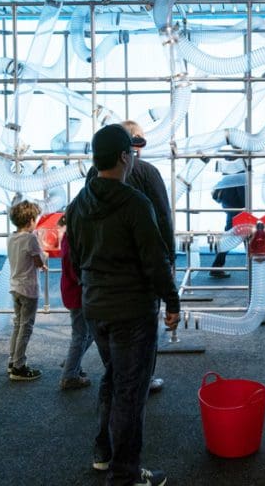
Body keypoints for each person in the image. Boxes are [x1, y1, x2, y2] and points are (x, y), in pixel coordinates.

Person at [65, 124, 180, 486]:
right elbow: (154, 259)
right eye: (130, 152)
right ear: (122, 157)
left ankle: (103, 452)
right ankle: (126, 475)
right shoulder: (135, 204)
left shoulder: (78, 204)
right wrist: (172, 300)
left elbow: (75, 259)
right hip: (133, 312)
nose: (133, 158)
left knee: (113, 379)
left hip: (96, 308)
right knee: (131, 393)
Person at [86, 120, 172, 392]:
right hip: (139, 280)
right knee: (142, 338)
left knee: (111, 345)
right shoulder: (147, 174)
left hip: (100, 281)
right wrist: (169, 264)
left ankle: (116, 380)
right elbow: (163, 218)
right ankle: (142, 380)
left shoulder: (93, 176)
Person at [6, 199, 47, 381]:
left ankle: (12, 360)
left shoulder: (12, 237)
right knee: (26, 327)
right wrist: (44, 256)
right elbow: (38, 262)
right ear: (31, 220)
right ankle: (19, 366)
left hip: (14, 287)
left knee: (17, 325)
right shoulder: (31, 238)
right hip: (28, 289)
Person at [59, 215, 92, 390]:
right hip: (77, 293)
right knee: (81, 334)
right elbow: (74, 269)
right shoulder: (73, 240)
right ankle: (69, 375)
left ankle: (72, 361)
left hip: (73, 292)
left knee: (89, 333)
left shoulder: (69, 237)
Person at [210, 175, 246, 278]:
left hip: (230, 210)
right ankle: (216, 267)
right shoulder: (240, 176)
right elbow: (243, 199)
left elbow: (215, 195)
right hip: (238, 212)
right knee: (236, 238)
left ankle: (216, 267)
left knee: (236, 238)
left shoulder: (226, 177)